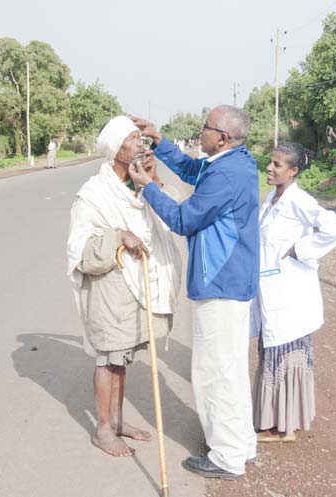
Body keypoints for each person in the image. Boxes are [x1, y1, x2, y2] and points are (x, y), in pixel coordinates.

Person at [128, 105, 259, 480]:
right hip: (231, 281)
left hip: (221, 285)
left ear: (222, 137)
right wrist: (160, 141)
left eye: (205, 127)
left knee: (214, 372)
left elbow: (184, 220)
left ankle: (226, 457)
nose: (200, 132)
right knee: (229, 370)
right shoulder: (230, 162)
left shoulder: (226, 175)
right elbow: (190, 170)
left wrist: (148, 188)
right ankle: (239, 445)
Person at [66, 116, 183, 457]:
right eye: (132, 140)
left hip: (135, 289)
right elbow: (80, 251)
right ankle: (103, 430)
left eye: (139, 138)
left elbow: (170, 214)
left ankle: (117, 422)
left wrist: (152, 180)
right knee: (107, 359)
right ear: (115, 150)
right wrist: (119, 236)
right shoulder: (93, 195)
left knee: (122, 359)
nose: (139, 144)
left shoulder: (139, 185)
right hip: (109, 288)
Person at [250, 142, 336, 442]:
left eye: (277, 164)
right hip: (272, 292)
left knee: (285, 354)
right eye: (270, 162)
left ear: (293, 171)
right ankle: (271, 420)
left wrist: (301, 249)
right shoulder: (271, 199)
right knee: (270, 351)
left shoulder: (299, 201)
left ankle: (284, 426)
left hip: (290, 295)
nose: (270, 167)